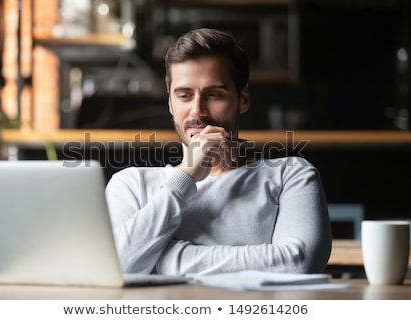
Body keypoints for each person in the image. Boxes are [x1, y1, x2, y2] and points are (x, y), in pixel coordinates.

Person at [105, 28, 332, 275]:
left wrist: (164, 260)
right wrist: (185, 178)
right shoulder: (131, 184)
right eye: (184, 95)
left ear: (243, 99)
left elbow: (299, 264)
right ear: (170, 103)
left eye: (214, 95)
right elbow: (114, 268)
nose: (197, 111)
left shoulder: (291, 175)